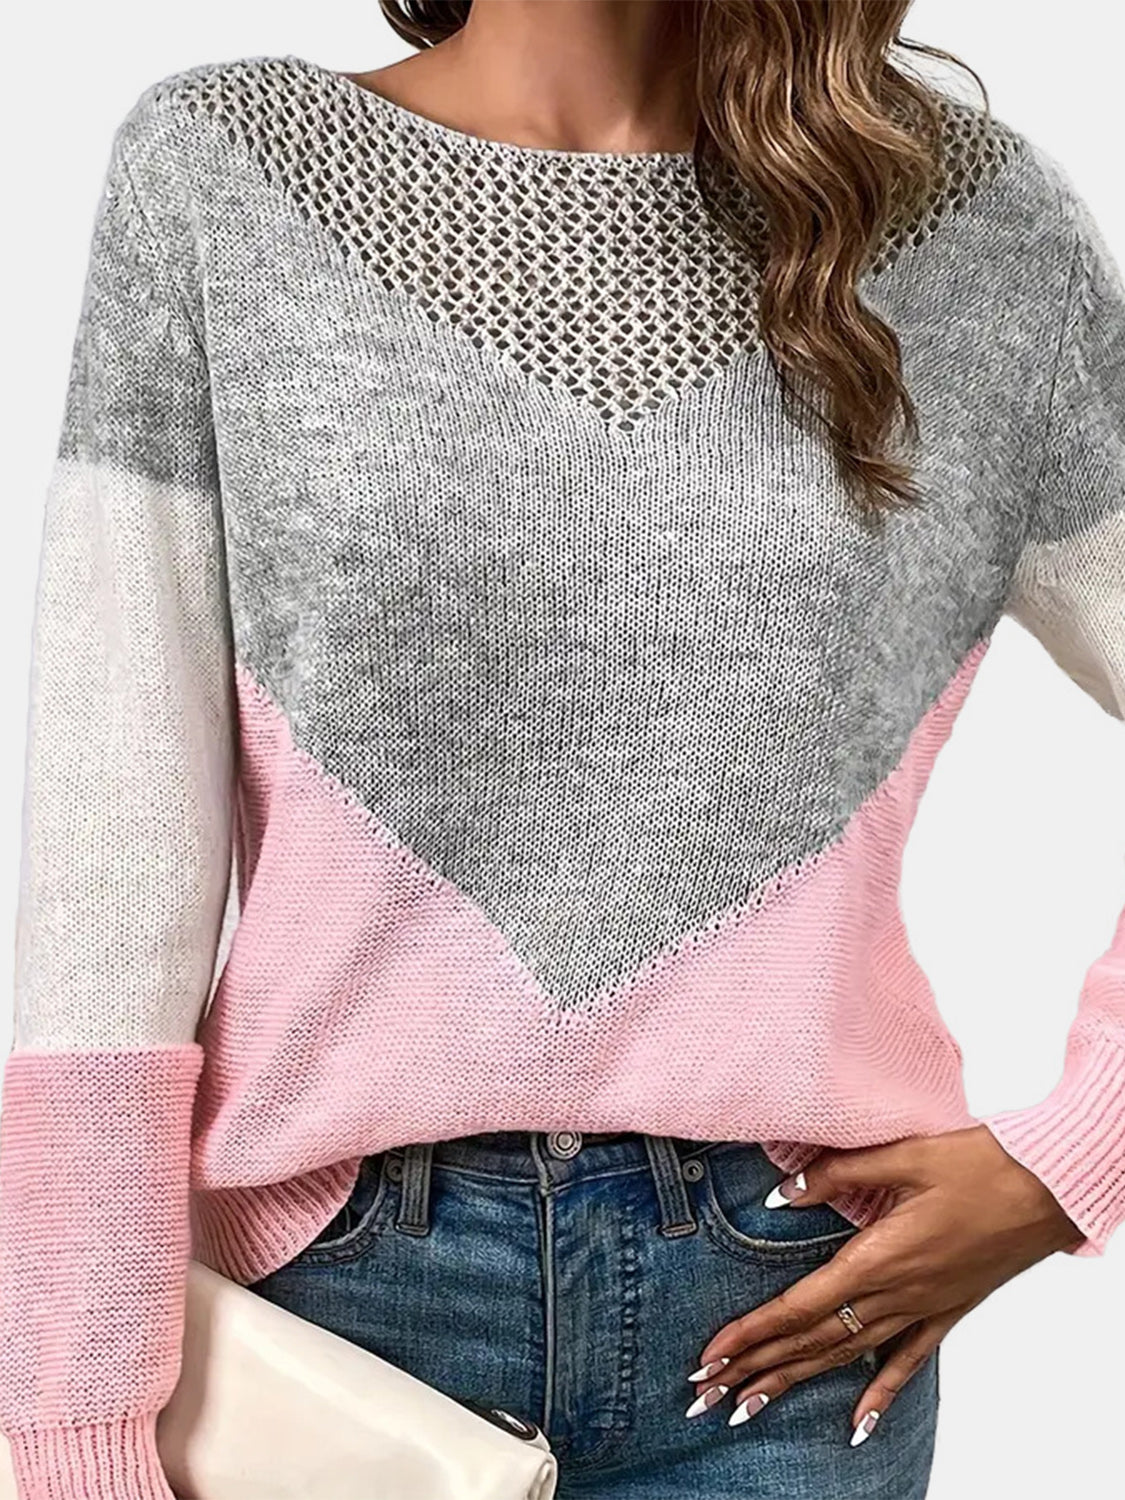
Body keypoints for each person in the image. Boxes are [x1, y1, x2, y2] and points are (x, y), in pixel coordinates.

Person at [1, 2, 1122, 1496]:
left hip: (795, 1308)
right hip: (324, 1301)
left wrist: (1073, 1156)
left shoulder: (962, 226)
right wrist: (74, 1408)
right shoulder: (225, 173)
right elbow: (113, 823)